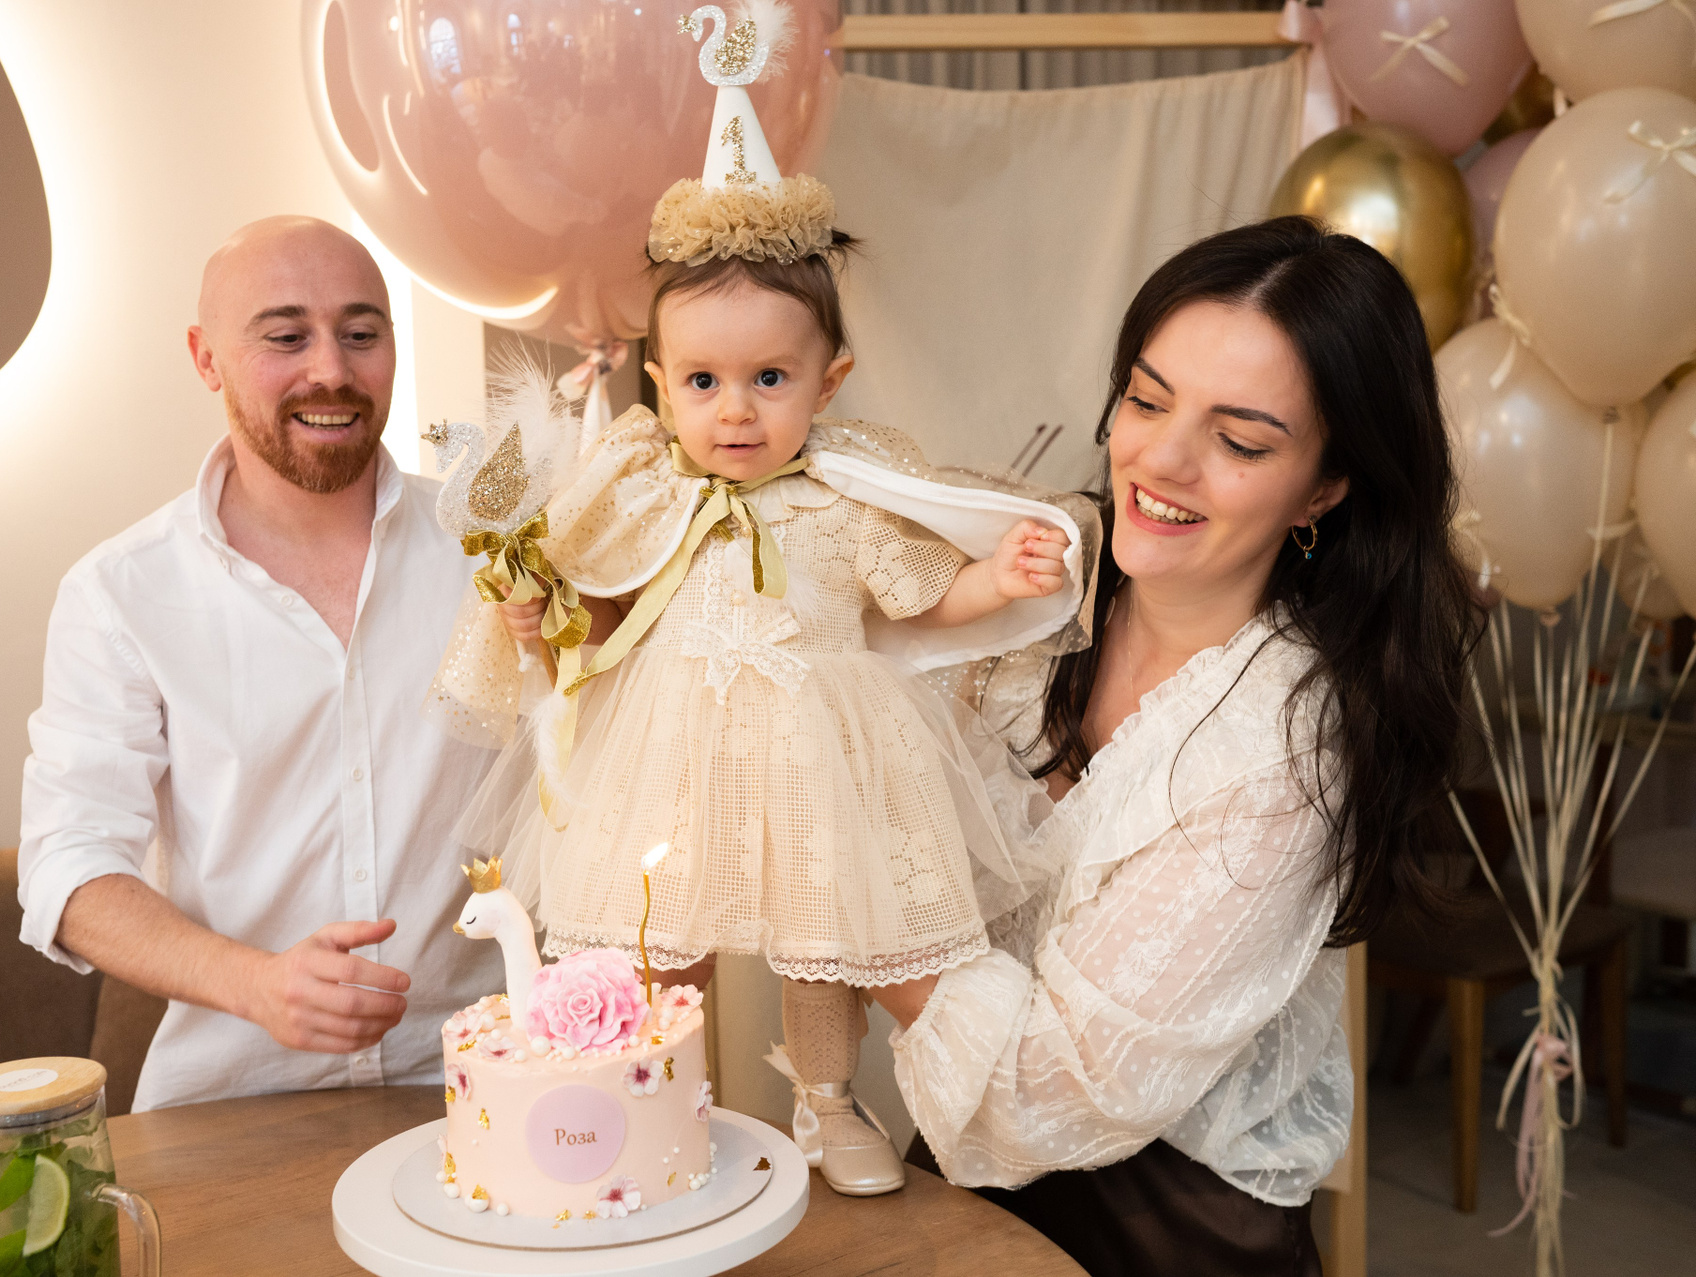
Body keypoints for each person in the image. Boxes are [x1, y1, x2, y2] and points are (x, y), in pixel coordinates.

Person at [426, 27, 1097, 1198]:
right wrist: (543, 620)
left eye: (770, 379)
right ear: (658, 383)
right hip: (668, 750)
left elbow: (926, 598)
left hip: (819, 747)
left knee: (820, 938)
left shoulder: (848, 492)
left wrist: (1005, 576)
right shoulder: (640, 487)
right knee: (655, 923)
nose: (734, 411)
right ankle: (656, 1093)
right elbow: (601, 612)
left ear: (829, 381)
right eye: (703, 381)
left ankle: (827, 1098)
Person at [871, 217, 1481, 1275]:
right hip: (965, 1172)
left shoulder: (1286, 750)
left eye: (1240, 441)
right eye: (1148, 401)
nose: (1160, 459)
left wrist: (848, 899)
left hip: (1171, 1227)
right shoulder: (1036, 591)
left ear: (1326, 486)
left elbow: (1047, 1089)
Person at [17, 216, 501, 1111]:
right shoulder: (119, 593)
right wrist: (257, 984)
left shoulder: (497, 559)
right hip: (228, 1107)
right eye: (286, 337)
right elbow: (68, 866)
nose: (331, 370)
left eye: (361, 334)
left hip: (480, 1086)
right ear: (206, 358)